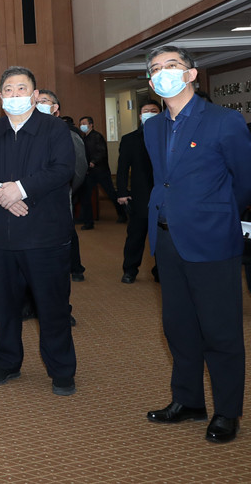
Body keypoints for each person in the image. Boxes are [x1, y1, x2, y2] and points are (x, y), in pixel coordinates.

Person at [142, 46, 251, 444]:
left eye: (172, 66)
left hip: (212, 240)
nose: (163, 73)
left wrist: (214, 213)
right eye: (156, 69)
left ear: (191, 74)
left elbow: (244, 181)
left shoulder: (224, 121)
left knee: (220, 331)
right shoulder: (152, 127)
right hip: (167, 239)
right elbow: (164, 180)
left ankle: (226, 411)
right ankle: (188, 401)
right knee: (178, 327)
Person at [0, 66, 77, 396]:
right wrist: (0, 193)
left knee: (52, 306)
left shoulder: (54, 128)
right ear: (1, 97)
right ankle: (7, 362)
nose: (14, 95)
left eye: (21, 89)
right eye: (8, 90)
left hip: (44, 234)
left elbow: (62, 169)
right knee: (4, 306)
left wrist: (21, 189)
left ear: (34, 94)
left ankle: (61, 369)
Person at [36, 90, 88, 282]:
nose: (39, 104)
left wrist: (67, 189)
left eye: (44, 101)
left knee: (65, 235)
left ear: (55, 108)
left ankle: (75, 268)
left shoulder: (68, 133)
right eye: (36, 101)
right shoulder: (28, 133)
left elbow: (79, 168)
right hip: (33, 199)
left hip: (60, 197)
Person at [116, 99, 161, 284]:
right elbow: (122, 168)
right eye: (146, 111)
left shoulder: (168, 135)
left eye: (154, 110)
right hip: (140, 195)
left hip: (163, 195)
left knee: (162, 237)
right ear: (141, 116)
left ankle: (160, 270)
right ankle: (130, 269)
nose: (150, 113)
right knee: (136, 235)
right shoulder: (130, 139)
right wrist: (121, 192)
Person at [78, 115, 127, 229]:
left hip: (100, 171)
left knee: (111, 194)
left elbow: (102, 152)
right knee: (86, 197)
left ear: (91, 125)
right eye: (81, 124)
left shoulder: (97, 136)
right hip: (89, 172)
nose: (82, 126)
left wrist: (93, 161)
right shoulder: (84, 138)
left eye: (84, 123)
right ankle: (88, 222)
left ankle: (123, 214)